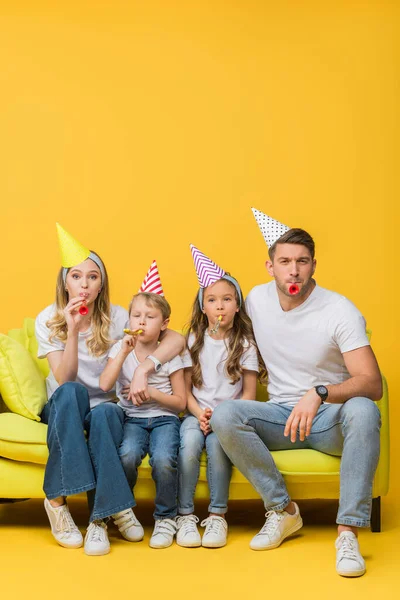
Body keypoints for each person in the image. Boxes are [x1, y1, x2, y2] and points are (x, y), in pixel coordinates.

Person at [211, 209, 382, 577]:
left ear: (313, 265)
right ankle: (284, 511)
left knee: (365, 410)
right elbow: (217, 328)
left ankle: (348, 534)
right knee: (227, 414)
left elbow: (372, 383)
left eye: (302, 262)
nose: (294, 271)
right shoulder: (255, 300)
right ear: (269, 266)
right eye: (285, 261)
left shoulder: (339, 311)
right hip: (280, 418)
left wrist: (320, 392)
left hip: (329, 419)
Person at [36, 229, 184, 556]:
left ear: (101, 283)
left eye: (92, 277)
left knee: (104, 412)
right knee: (72, 391)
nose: (84, 285)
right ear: (65, 282)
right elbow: (64, 378)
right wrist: (72, 330)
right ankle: (63, 504)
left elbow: (175, 338)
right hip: (64, 405)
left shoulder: (118, 316)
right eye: (77, 276)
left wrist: (147, 367)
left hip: (107, 406)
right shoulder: (48, 318)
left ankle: (99, 519)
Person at [175, 245, 261, 549]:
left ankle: (217, 516)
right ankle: (184, 515)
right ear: (203, 307)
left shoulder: (246, 344)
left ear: (237, 306)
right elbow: (183, 390)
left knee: (217, 449)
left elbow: (249, 393)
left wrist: (222, 417)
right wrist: (200, 414)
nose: (220, 306)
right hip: (193, 413)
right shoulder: (191, 340)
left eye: (227, 299)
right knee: (188, 447)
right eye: (212, 300)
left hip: (228, 418)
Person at [100, 261, 186, 549]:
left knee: (163, 459)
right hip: (132, 419)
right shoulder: (121, 348)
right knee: (126, 455)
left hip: (164, 419)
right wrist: (122, 355)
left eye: (150, 317)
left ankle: (166, 517)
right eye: (136, 315)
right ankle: (123, 511)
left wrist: (151, 393)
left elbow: (180, 402)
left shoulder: (170, 354)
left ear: (164, 324)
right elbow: (105, 384)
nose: (141, 321)